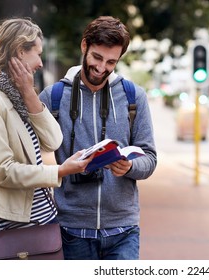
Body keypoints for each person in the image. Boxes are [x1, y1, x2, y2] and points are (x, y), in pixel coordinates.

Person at [39, 16, 157, 260]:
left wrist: (130, 167)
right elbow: (30, 154)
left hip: (123, 230)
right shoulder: (54, 96)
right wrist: (62, 168)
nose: (102, 68)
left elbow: (150, 158)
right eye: (97, 57)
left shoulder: (134, 97)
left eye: (111, 62)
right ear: (84, 46)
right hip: (71, 230)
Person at [0, 18, 94, 232]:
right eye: (37, 54)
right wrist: (60, 171)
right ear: (20, 50)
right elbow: (3, 171)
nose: (40, 63)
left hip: (45, 216)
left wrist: (29, 93)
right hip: (17, 225)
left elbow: (54, 141)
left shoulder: (19, 95)